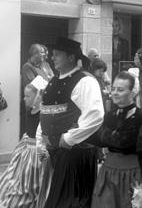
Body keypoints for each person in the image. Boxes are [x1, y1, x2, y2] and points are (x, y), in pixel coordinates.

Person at [36, 37, 104, 208]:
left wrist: (68, 139)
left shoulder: (85, 81)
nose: (52, 57)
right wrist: (40, 141)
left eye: (57, 54)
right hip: (54, 151)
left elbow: (95, 115)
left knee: (71, 202)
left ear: (71, 57)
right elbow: (45, 113)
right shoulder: (54, 80)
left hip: (75, 154)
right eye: (52, 54)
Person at [89, 71, 142, 208]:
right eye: (113, 89)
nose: (114, 93)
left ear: (133, 92)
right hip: (109, 174)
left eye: (120, 90)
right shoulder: (109, 116)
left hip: (134, 175)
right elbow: (99, 140)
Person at [0, 76, 50, 208]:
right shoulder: (30, 111)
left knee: (33, 180)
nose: (24, 99)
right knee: (17, 176)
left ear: (38, 96)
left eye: (27, 96)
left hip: (36, 152)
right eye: (24, 96)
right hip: (26, 149)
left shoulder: (43, 114)